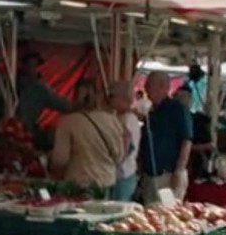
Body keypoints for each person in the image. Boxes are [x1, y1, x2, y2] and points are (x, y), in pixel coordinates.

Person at [50, 81, 125, 190]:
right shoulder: (111, 120)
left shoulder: (68, 122)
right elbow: (119, 156)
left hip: (79, 182)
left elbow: (60, 159)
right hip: (107, 181)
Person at [138, 72, 191, 200]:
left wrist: (179, 170)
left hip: (169, 174)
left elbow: (186, 141)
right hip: (150, 175)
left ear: (163, 87)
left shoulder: (177, 109)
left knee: (167, 211)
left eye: (149, 85)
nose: (145, 88)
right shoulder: (151, 112)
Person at [15, 52, 71, 148]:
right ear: (23, 66)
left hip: (26, 134)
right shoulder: (11, 82)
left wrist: (78, 106)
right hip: (8, 130)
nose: (32, 70)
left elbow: (59, 103)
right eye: (29, 66)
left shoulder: (40, 89)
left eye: (35, 66)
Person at [109, 81, 141, 202]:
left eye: (112, 96)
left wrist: (117, 163)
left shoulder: (126, 119)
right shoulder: (127, 117)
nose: (109, 100)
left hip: (123, 173)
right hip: (127, 172)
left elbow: (126, 144)